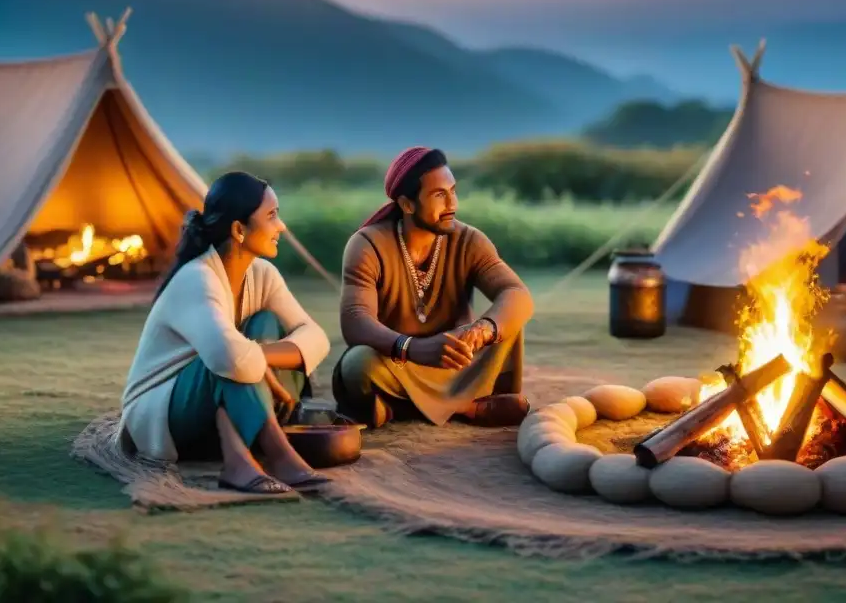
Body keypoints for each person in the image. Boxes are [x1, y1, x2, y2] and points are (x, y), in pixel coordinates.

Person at [117, 171, 331, 495]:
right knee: (224, 359)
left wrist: (260, 356)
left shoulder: (263, 274)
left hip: (223, 403)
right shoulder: (196, 278)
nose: (281, 226)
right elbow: (230, 359)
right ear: (238, 230)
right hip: (169, 418)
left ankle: (238, 459)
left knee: (262, 325)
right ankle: (277, 452)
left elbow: (316, 337)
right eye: (271, 216)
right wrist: (261, 363)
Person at [332, 147, 534, 429]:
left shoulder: (470, 241)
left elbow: (516, 293)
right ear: (407, 204)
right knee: (357, 364)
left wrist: (483, 329)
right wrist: (412, 348)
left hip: (456, 364)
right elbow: (355, 320)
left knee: (509, 321)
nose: (452, 203)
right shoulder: (367, 245)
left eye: (453, 191)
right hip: (400, 363)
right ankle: (467, 408)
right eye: (439, 195)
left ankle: (396, 408)